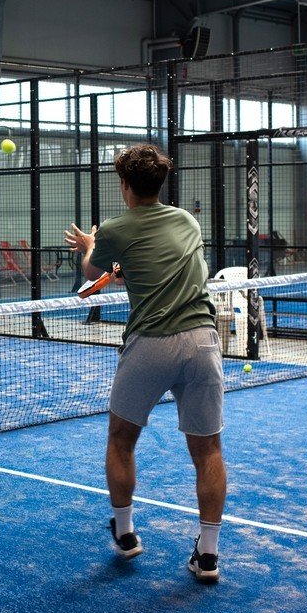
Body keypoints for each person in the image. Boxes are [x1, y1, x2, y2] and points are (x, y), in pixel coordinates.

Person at [64, 144, 227, 583]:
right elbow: (166, 261)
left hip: (151, 343)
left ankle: (125, 532)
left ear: (124, 185)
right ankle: (208, 554)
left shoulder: (117, 228)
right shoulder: (187, 220)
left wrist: (93, 244)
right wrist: (126, 267)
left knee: (121, 438)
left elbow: (89, 272)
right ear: (159, 183)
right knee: (208, 450)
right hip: (203, 342)